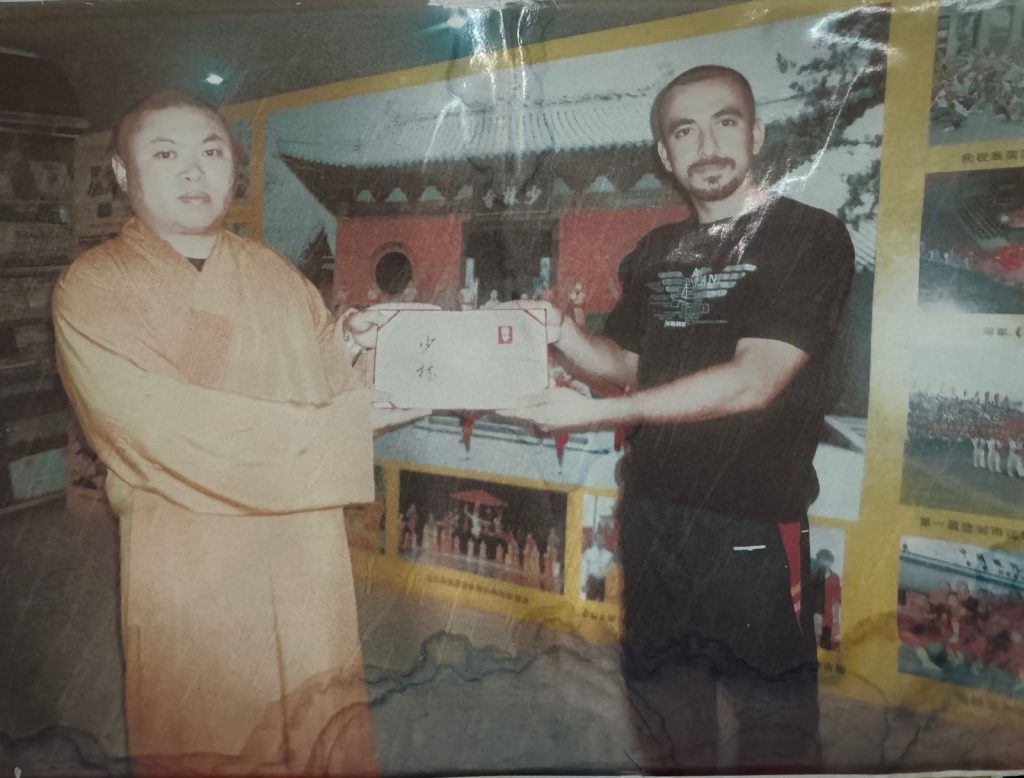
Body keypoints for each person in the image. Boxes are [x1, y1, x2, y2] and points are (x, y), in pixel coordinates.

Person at [52, 91, 420, 774]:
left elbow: (320, 372)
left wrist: (355, 344)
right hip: (193, 554)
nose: (194, 171)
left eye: (212, 151)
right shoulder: (92, 288)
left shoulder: (273, 272)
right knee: (210, 733)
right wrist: (344, 425)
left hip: (304, 547)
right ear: (124, 173)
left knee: (320, 731)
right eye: (166, 153)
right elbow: (160, 428)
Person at [504, 65, 854, 772]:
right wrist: (561, 333)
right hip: (653, 515)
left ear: (756, 135)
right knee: (664, 706)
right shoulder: (657, 252)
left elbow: (755, 380)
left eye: (725, 122)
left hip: (752, 523)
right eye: (684, 131)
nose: (708, 145)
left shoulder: (806, 236)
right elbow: (629, 365)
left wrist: (605, 413)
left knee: (774, 722)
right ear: (665, 154)